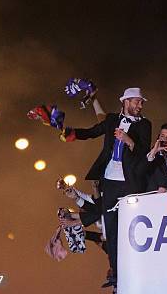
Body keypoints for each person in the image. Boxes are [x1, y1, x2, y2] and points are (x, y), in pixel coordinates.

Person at [63, 87, 152, 289]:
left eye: (141, 102)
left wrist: (128, 140)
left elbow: (144, 152)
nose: (140, 105)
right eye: (137, 101)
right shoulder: (112, 119)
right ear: (126, 102)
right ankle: (116, 272)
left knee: (133, 226)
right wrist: (68, 133)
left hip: (130, 181)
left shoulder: (145, 124)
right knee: (110, 227)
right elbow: (92, 132)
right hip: (110, 179)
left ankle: (138, 267)